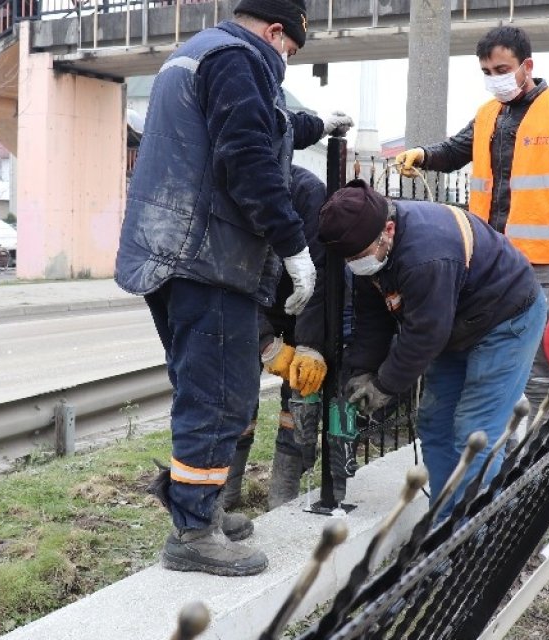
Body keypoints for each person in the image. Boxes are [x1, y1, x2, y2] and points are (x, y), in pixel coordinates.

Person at [114, 0, 351, 577]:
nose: (287, 62)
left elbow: (272, 126)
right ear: (275, 32)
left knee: (202, 386)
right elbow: (248, 156)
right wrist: (294, 245)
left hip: (164, 249)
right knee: (221, 396)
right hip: (208, 256)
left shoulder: (193, 57)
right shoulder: (238, 60)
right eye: (290, 51)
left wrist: (324, 124)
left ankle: (201, 504)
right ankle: (194, 531)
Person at [392, 25, 549, 416]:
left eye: (502, 69)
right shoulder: (489, 114)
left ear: (527, 65)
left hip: (545, 265)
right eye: (487, 72)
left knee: (541, 367)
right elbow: (456, 149)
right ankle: (498, 453)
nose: (495, 79)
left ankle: (544, 457)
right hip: (489, 263)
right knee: (486, 356)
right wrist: (423, 154)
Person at [317, 179, 546, 519]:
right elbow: (372, 317)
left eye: (359, 256)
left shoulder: (427, 256)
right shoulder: (371, 246)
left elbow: (425, 335)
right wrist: (365, 369)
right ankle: (445, 523)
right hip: (455, 321)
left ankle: (475, 539)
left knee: (475, 433)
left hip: (506, 319)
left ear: (389, 230)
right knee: (435, 423)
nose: (355, 264)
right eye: (349, 259)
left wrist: (384, 386)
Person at [218, 165, 330, 511]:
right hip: (249, 301)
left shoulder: (308, 194)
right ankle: (224, 494)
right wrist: (265, 342)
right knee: (234, 396)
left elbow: (323, 273)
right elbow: (227, 281)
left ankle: (283, 496)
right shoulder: (228, 192)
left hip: (302, 302)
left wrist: (310, 345)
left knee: (301, 394)